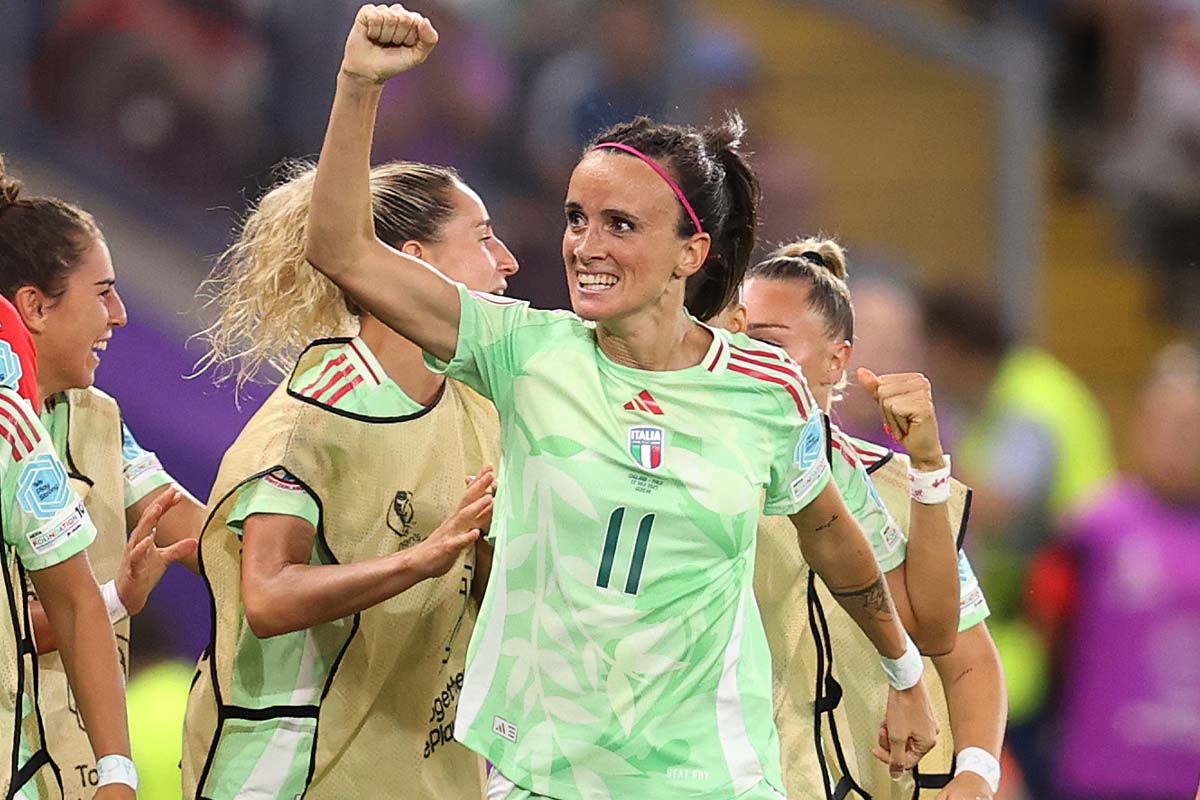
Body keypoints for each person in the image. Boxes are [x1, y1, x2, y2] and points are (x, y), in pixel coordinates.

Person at [302, 7, 938, 798]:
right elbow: (340, 248)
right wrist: (359, 83)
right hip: (543, 774)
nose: (586, 245)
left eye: (620, 224)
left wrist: (904, 671)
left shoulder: (765, 388)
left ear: (690, 253)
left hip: (709, 778)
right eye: (576, 219)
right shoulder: (522, 352)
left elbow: (831, 535)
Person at [182, 158, 517, 799]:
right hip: (296, 777)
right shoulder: (312, 415)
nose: (507, 261)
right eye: (483, 238)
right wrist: (420, 560)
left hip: (423, 775)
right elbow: (269, 597)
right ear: (415, 263)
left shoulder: (482, 409)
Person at [729, 240, 1006, 800]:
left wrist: (977, 773)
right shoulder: (698, 474)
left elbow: (966, 656)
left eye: (767, 344)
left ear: (837, 359)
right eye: (734, 341)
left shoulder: (896, 489)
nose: (744, 359)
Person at [0, 158, 202, 800]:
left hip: (51, 760)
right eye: (103, 292)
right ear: (34, 307)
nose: (120, 314)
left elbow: (205, 536)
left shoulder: (88, 421)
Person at [0, 250, 135, 795]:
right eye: (101, 293)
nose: (118, 315)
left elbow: (75, 602)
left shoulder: (10, 430)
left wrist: (118, 774)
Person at [1054, 341, 1200, 799]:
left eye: (1190, 426)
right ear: (1141, 425)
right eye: (1166, 423)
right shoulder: (1093, 524)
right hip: (1103, 773)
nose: (1178, 439)